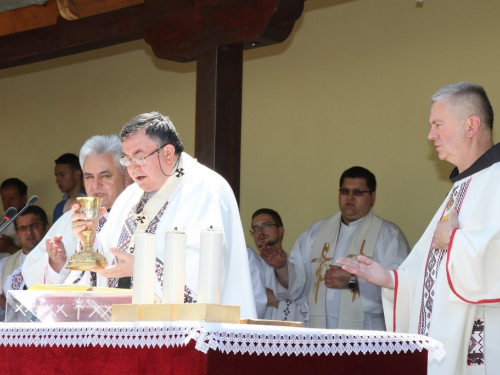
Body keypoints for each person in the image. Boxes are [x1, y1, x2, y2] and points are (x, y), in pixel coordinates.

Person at [338, 82, 500, 374]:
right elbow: (434, 275)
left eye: (438, 124)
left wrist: (453, 240)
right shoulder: (461, 186)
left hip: (481, 343)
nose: (431, 135)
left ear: (472, 125)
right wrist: (391, 280)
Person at [69, 112, 257, 319]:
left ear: (168, 153)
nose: (132, 168)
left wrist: (143, 268)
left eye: (139, 157)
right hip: (126, 327)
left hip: (182, 331)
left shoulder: (205, 188)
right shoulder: (129, 197)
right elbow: (110, 261)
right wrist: (90, 240)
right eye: (127, 159)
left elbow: (206, 269)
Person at [261, 166, 409, 329]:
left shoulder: (388, 236)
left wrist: (352, 281)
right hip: (319, 331)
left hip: (367, 334)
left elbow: (398, 286)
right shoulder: (315, 233)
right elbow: (298, 287)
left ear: (372, 197)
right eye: (345, 191)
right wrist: (282, 266)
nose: (350, 197)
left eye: (358, 192)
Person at [22, 135, 128, 288]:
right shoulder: (69, 220)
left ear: (126, 176)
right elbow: (31, 274)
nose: (96, 185)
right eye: (89, 177)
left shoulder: (140, 218)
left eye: (105, 176)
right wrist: (55, 265)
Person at [0, 206, 50, 319]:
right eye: (23, 228)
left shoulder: (57, 261)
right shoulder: (4, 266)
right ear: (17, 233)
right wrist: (4, 307)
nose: (29, 232)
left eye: (34, 225)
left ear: (47, 228)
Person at [250, 208, 297, 321]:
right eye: (255, 229)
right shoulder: (250, 267)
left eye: (266, 226)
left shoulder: (296, 265)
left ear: (280, 231)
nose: (260, 232)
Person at [53, 153, 85, 222]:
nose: (57, 180)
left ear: (77, 174)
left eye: (62, 175)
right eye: (56, 176)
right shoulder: (59, 207)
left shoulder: (90, 201)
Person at [0, 178, 27, 258]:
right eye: (3, 199)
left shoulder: (33, 222)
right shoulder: (3, 223)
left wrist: (10, 247)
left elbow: (37, 259)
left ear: (24, 198)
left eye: (11, 198)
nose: (7, 203)